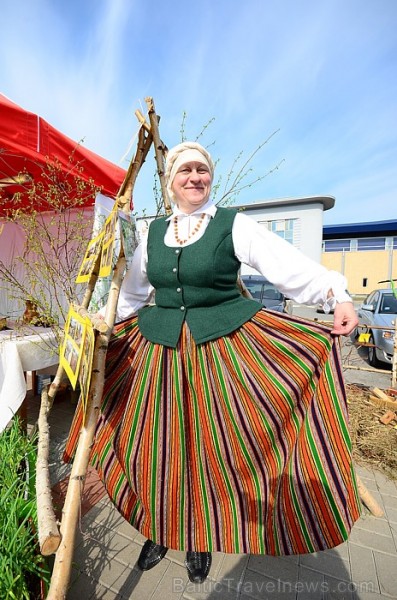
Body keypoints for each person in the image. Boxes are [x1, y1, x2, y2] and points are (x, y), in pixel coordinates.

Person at [65, 142, 361, 585]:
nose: (195, 177)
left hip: (219, 353)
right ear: (171, 183)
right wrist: (105, 328)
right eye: (185, 170)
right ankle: (160, 528)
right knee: (159, 443)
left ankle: (199, 534)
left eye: (202, 169)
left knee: (208, 447)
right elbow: (130, 294)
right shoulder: (151, 235)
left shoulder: (232, 225)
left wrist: (335, 294)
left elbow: (287, 267)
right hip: (159, 356)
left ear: (210, 177)